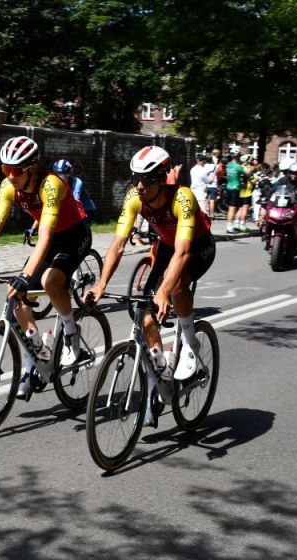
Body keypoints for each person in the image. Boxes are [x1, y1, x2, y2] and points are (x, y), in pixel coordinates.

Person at [0, 136, 93, 401]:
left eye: (15, 170)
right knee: (14, 293)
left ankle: (72, 335)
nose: (9, 175)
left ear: (31, 168)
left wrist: (27, 275)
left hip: (74, 235)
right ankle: (35, 361)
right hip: (50, 239)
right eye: (5, 169)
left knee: (51, 281)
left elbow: (46, 237)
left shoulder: (50, 185)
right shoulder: (9, 187)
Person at [87, 146, 216, 427]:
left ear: (161, 179)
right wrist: (101, 283)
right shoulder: (135, 197)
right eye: (135, 178)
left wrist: (163, 291)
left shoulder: (182, 197)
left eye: (146, 179)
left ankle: (191, 345)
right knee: (144, 314)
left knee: (178, 284)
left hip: (198, 247)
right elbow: (118, 244)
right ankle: (159, 371)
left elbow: (183, 254)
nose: (140, 185)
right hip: (168, 246)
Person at [263, 161, 297, 247]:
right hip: (282, 204)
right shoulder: (283, 180)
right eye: (292, 173)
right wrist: (267, 197)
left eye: (296, 174)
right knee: (268, 214)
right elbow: (273, 189)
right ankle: (266, 233)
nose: (294, 175)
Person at [51, 159, 97, 224]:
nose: (60, 178)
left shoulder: (77, 182)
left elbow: (75, 202)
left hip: (87, 211)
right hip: (73, 210)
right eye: (57, 175)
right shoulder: (55, 183)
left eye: (63, 175)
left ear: (69, 174)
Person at [224, 153, 245, 233]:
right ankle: (229, 227)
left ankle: (230, 225)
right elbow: (246, 173)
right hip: (235, 188)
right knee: (232, 208)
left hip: (229, 186)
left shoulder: (228, 165)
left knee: (231, 208)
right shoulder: (238, 166)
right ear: (237, 157)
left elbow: (228, 176)